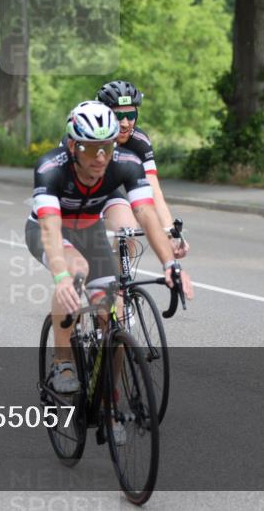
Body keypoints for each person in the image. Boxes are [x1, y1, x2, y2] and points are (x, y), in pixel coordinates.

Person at [26, 101, 192, 397]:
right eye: (91, 148)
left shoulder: (126, 163)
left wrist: (170, 264)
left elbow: (146, 214)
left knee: (114, 316)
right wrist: (61, 275)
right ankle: (63, 363)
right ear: (73, 145)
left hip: (90, 231)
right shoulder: (51, 168)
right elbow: (50, 228)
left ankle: (109, 398)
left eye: (108, 146)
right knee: (76, 270)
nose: (101, 156)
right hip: (49, 231)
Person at [95, 80, 189, 260]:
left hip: (107, 192)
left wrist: (170, 233)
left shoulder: (139, 142)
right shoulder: (85, 136)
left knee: (126, 231)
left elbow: (153, 190)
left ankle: (121, 287)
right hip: (74, 195)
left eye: (130, 114)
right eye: (117, 116)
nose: (125, 123)